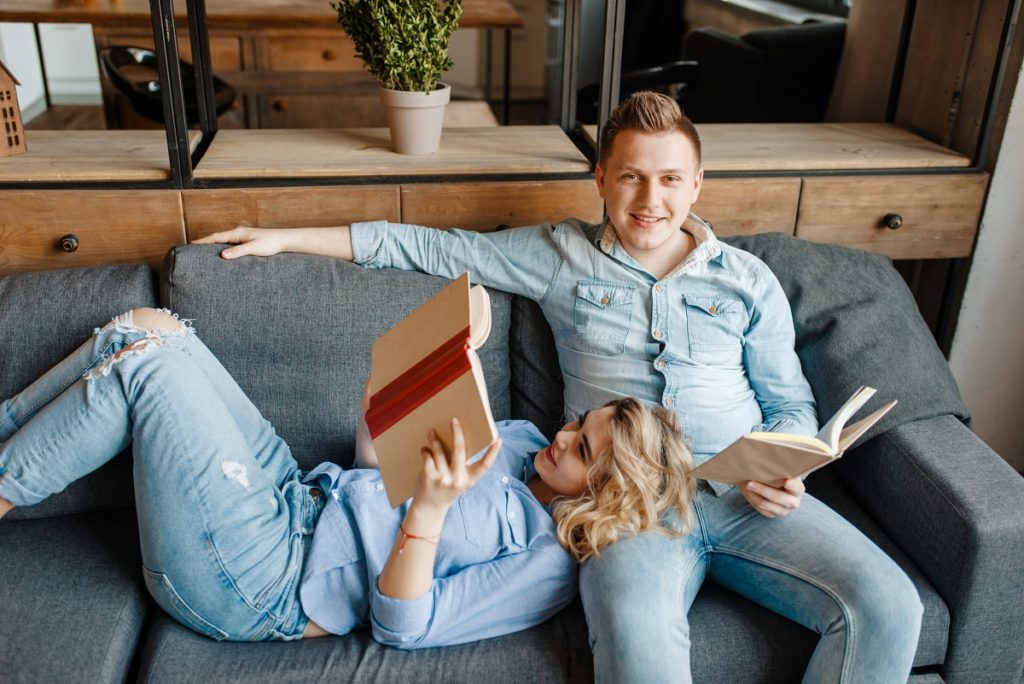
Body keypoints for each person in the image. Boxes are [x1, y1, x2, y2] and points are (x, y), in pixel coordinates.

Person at [195, 91, 924, 681]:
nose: (650, 198)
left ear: (697, 184)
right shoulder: (560, 258)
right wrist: (285, 236)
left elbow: (789, 400)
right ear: (601, 179)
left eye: (671, 178)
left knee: (889, 604)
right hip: (624, 509)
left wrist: (792, 462)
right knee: (640, 644)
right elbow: (428, 245)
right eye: (631, 175)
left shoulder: (748, 281)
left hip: (745, 496)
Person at [0, 307, 694, 648]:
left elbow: (404, 627)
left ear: (607, 492)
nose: (564, 435)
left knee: (150, 371)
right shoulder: (520, 442)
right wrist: (381, 414)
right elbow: (376, 472)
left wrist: (427, 511)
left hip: (267, 578)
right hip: (295, 496)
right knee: (149, 328)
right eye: (582, 422)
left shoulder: (544, 564)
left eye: (583, 450)